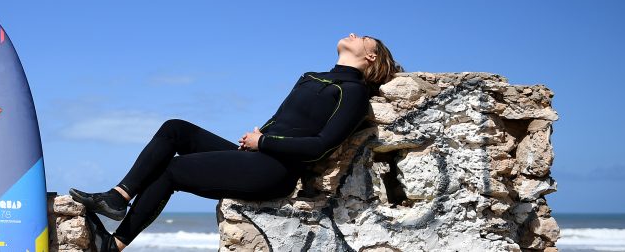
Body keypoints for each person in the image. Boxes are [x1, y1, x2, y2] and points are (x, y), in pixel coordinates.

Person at [69, 33, 403, 251]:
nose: (352, 34)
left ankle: (115, 245)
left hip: (275, 171)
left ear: (371, 57)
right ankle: (118, 197)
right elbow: (284, 120)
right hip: (258, 156)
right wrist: (259, 137)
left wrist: (264, 141)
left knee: (173, 169)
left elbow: (320, 146)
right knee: (175, 129)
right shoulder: (311, 77)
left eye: (362, 38)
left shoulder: (354, 93)